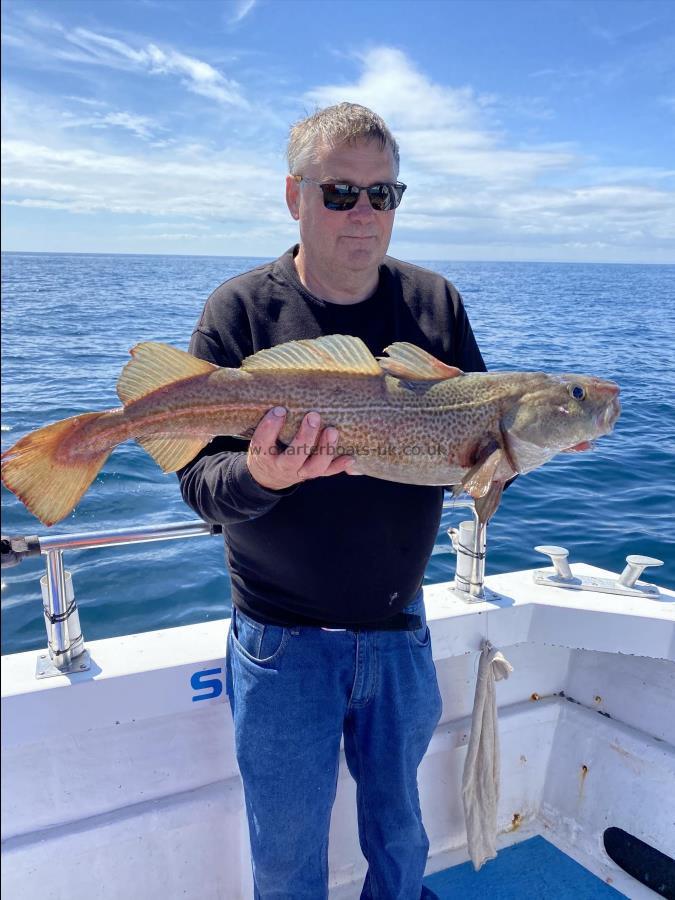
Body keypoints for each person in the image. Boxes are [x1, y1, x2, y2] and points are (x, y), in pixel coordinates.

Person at [178, 102, 486, 900]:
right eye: (339, 192)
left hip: (399, 632)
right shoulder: (238, 312)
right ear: (294, 197)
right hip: (281, 645)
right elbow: (201, 490)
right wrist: (264, 477)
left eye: (382, 194)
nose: (363, 214)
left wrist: (516, 454)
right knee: (285, 856)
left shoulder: (434, 305)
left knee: (400, 836)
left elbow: (473, 454)